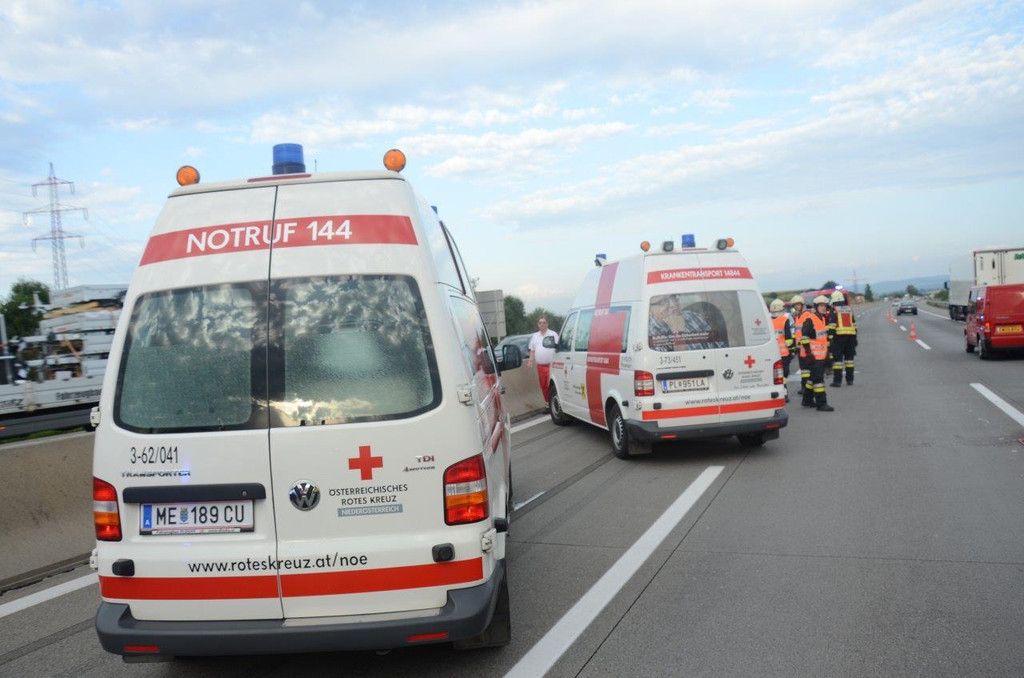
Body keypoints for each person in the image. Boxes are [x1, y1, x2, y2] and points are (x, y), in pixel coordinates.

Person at [799, 295, 834, 412]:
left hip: (821, 355)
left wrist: (828, 354)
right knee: (818, 380)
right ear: (816, 307)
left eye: (825, 306)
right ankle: (821, 403)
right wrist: (809, 354)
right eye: (821, 306)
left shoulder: (823, 319)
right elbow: (804, 338)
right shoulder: (810, 319)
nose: (824, 308)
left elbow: (823, 339)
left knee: (812, 378)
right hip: (813, 356)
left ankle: (807, 400)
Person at [527, 317, 559, 412]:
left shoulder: (553, 334)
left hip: (552, 366)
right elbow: (532, 350)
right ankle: (548, 404)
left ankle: (556, 404)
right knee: (544, 386)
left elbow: (558, 347)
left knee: (552, 385)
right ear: (538, 324)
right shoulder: (535, 336)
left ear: (547, 324)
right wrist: (530, 360)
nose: (542, 324)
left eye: (544, 322)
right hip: (540, 366)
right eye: (540, 323)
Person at [829, 290, 858, 386]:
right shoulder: (849, 309)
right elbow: (854, 325)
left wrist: (830, 339)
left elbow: (832, 326)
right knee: (849, 360)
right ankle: (850, 380)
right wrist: (855, 338)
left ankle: (837, 381)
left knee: (837, 361)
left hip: (839, 337)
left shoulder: (834, 310)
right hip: (851, 337)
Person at [790, 295, 813, 396]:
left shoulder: (806, 315)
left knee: (806, 369)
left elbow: (807, 331)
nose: (797, 306)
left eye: (798, 304)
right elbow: (797, 332)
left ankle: (806, 388)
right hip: (800, 346)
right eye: (795, 305)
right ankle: (805, 387)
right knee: (804, 369)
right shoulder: (798, 316)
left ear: (802, 305)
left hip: (805, 346)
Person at [769, 298, 794, 378]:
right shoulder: (784, 320)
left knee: (773, 372)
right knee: (785, 372)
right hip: (783, 353)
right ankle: (784, 384)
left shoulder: (767, 320)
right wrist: (791, 350)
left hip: (771, 352)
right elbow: (788, 338)